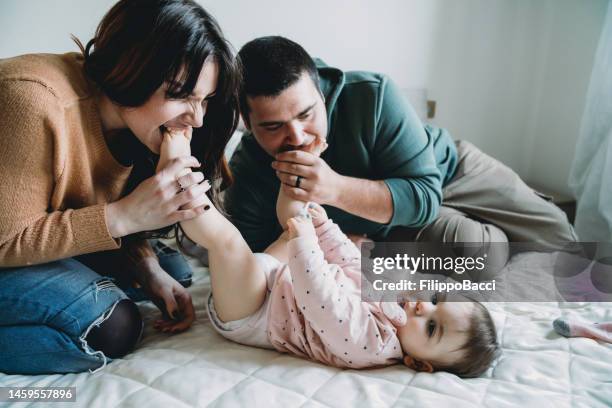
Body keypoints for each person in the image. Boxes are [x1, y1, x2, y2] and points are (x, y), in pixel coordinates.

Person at [0, 0, 240, 374]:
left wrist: (146, 267)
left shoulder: (134, 125)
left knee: (173, 273)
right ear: (133, 69)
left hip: (32, 234)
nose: (197, 118)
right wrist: (124, 216)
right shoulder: (32, 101)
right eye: (180, 94)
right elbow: (6, 237)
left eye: (205, 99)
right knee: (115, 327)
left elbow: (90, 203)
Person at [155, 129, 499, 378]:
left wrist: (305, 243)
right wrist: (323, 228)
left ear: (418, 364)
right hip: (277, 280)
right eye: (437, 300)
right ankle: (302, 159)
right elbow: (349, 262)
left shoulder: (371, 345)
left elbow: (319, 297)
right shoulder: (394, 302)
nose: (425, 307)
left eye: (432, 327)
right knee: (297, 215)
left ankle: (176, 171)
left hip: (252, 312)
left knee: (226, 242)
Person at [224, 36, 577, 261]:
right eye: (273, 126)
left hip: (449, 170)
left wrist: (333, 188)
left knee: (563, 242)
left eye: (306, 114)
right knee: (479, 252)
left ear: (321, 89)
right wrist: (338, 246)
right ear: (246, 121)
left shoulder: (372, 95)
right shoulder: (249, 169)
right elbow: (254, 260)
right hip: (384, 228)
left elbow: (423, 195)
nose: (298, 136)